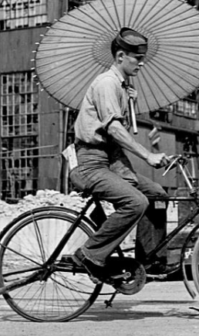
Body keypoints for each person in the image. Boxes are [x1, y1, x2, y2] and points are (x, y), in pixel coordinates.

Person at [70, 27, 169, 284]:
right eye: (137, 58)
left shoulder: (122, 87)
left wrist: (129, 100)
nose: (142, 63)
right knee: (136, 202)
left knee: (156, 193)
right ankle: (90, 254)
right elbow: (113, 129)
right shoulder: (106, 83)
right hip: (92, 162)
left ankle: (147, 260)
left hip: (112, 161)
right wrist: (148, 155)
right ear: (121, 56)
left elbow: (120, 128)